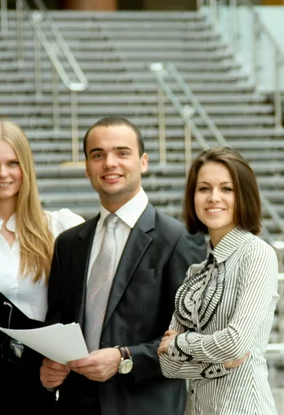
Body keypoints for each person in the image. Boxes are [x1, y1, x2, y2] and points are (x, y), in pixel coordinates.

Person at [39, 116, 206, 415]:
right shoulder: (68, 243)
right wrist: (50, 367)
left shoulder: (179, 239)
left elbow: (192, 341)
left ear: (143, 162)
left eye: (122, 152)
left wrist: (124, 358)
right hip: (78, 405)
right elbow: (59, 321)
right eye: (97, 155)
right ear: (88, 167)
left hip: (146, 405)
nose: (109, 163)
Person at [0, 120, 84, 414]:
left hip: (45, 381)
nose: (3, 174)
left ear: (26, 168)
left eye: (13, 163)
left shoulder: (61, 227)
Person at [158, 146, 279, 414]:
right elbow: (168, 365)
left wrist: (179, 343)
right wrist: (220, 365)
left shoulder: (257, 254)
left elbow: (235, 342)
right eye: (203, 189)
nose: (214, 198)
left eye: (226, 189)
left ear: (243, 195)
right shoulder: (196, 272)